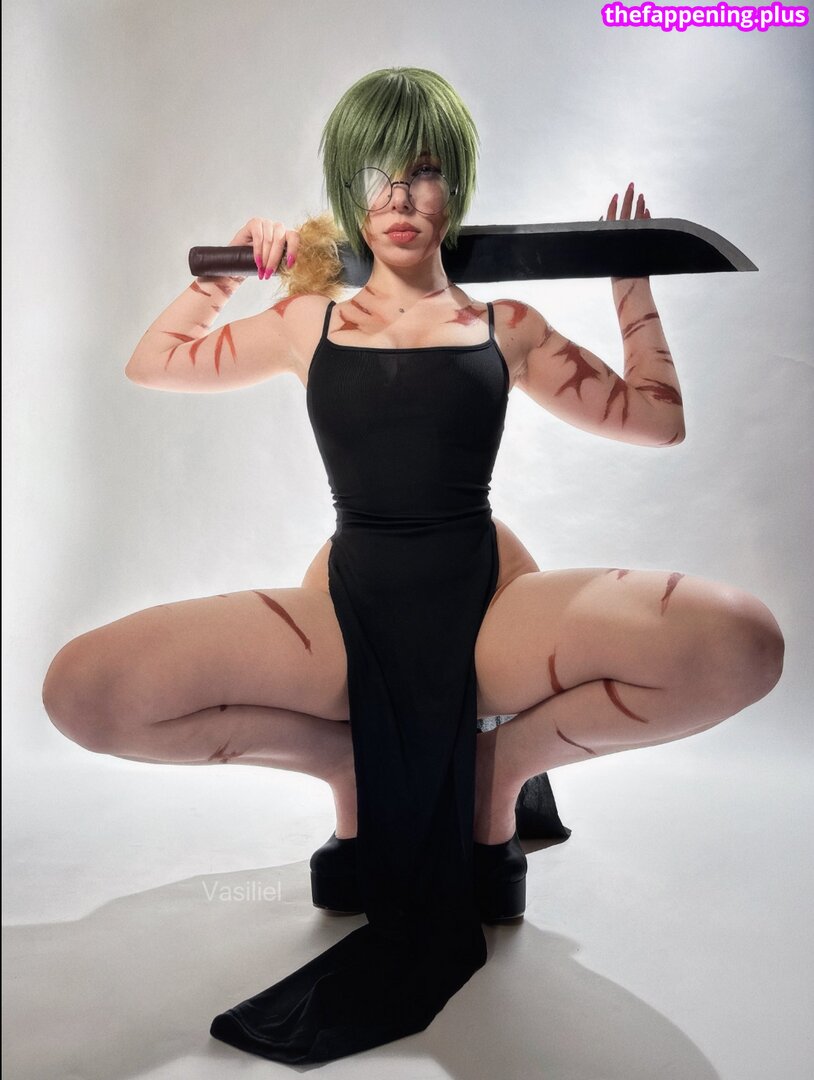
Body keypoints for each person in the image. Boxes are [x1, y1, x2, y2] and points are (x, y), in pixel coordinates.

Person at [41, 67, 785, 1066]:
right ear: (348, 191)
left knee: (740, 640)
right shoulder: (306, 319)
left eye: (423, 172)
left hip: (485, 603)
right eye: (376, 174)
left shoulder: (507, 328)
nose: (399, 196)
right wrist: (229, 273)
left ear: (454, 186)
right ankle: (346, 765)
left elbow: (659, 421)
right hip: (347, 601)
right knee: (85, 691)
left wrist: (631, 288)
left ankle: (499, 769)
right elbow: (152, 363)